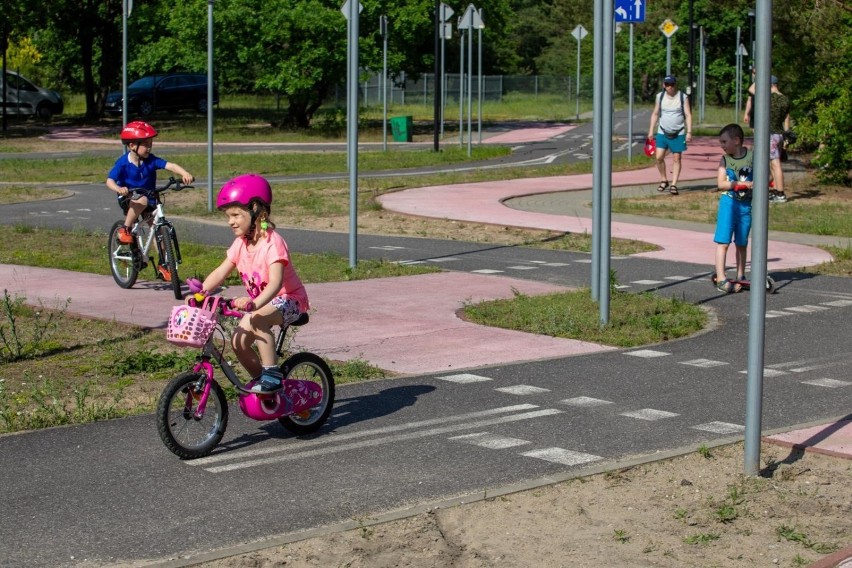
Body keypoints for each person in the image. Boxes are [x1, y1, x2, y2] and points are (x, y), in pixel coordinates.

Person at [196, 174, 310, 393]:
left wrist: (254, 304)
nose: (231, 221)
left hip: (290, 299)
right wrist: (202, 293)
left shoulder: (273, 243)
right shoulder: (240, 244)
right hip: (261, 303)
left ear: (257, 210)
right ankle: (262, 383)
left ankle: (272, 374)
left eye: (236, 214)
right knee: (238, 341)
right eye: (228, 216)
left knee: (257, 319)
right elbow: (221, 271)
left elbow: (276, 283)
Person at [106, 121, 194, 280]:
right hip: (128, 197)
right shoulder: (123, 163)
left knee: (159, 229)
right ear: (132, 145)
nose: (149, 148)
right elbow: (109, 180)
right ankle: (125, 229)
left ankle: (164, 264)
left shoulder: (151, 160)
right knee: (143, 200)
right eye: (146, 144)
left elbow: (171, 165)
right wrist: (119, 189)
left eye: (150, 144)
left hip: (149, 197)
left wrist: (184, 173)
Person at [713, 123, 754, 293]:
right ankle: (721, 277)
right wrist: (740, 184)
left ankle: (741, 275)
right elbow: (721, 183)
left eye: (724, 141)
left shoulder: (752, 157)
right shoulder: (725, 160)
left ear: (736, 140)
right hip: (729, 204)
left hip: (745, 206)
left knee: (742, 243)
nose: (722, 146)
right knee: (723, 241)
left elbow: (766, 176)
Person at [647, 75, 693, 195]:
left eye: (672, 84)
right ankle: (664, 179)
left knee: (677, 158)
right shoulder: (660, 97)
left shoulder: (683, 97)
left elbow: (688, 115)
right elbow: (655, 113)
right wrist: (651, 130)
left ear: (675, 85)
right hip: (662, 131)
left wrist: (689, 132)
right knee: (659, 157)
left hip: (679, 132)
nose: (670, 87)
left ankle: (674, 184)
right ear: (664, 85)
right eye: (667, 85)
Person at [768, 76, 792, 203]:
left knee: (775, 163)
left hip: (770, 134)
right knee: (774, 163)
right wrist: (786, 134)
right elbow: (787, 118)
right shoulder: (785, 99)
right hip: (780, 134)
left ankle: (780, 193)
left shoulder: (769, 98)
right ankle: (776, 189)